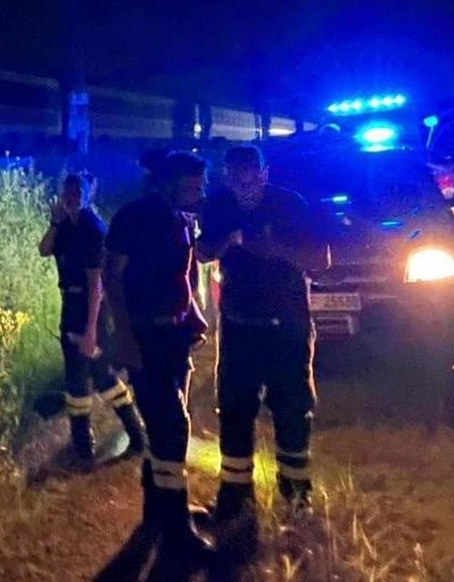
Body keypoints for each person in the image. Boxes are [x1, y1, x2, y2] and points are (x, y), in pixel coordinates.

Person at [197, 144, 330, 527]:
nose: (244, 183)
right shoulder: (218, 205)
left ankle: (297, 497)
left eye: (250, 174)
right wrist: (227, 243)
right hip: (239, 325)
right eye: (235, 175)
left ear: (264, 173)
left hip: (286, 325)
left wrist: (277, 250)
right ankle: (235, 497)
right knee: (235, 410)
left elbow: (320, 261)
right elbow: (204, 252)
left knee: (292, 410)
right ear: (226, 176)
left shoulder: (290, 205)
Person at [104, 151, 215, 566]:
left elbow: (183, 277)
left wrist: (194, 318)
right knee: (172, 427)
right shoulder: (133, 218)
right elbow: (113, 278)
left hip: (174, 336)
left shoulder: (181, 219)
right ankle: (176, 532)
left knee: (165, 426)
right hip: (146, 337)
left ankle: (160, 510)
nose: (200, 189)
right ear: (170, 182)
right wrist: (125, 340)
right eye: (194, 183)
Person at [38, 172, 148, 469]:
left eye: (77, 191)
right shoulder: (66, 226)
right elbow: (44, 250)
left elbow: (96, 285)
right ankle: (134, 438)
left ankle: (86, 449)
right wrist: (55, 221)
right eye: (67, 191)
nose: (71, 196)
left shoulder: (91, 229)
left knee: (82, 378)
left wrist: (89, 331)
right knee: (100, 377)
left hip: (91, 312)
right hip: (72, 304)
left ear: (89, 193)